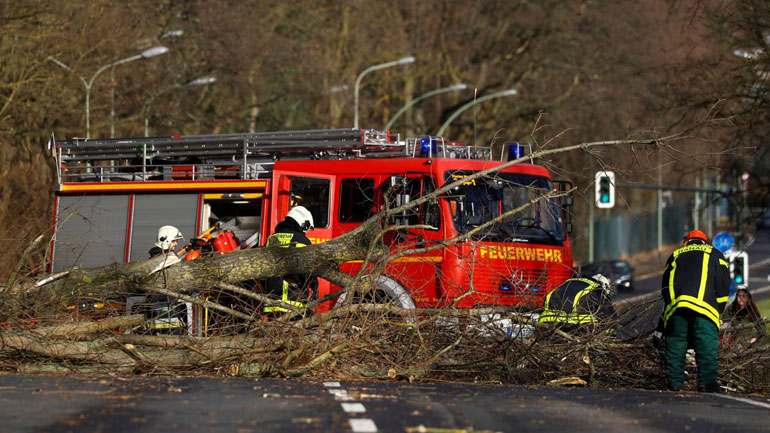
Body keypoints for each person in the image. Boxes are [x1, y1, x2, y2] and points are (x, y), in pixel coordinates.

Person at [661, 230, 730, 392]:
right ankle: (707, 383)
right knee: (706, 344)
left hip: (676, 307)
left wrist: (668, 313)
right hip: (704, 307)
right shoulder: (715, 254)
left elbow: (665, 286)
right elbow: (722, 285)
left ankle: (674, 384)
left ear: (686, 242)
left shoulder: (675, 255)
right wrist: (718, 309)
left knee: (676, 344)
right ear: (705, 241)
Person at [264, 206, 319, 317]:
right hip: (293, 301)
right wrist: (313, 289)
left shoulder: (271, 238)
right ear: (302, 223)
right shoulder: (301, 240)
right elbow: (310, 271)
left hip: (272, 300)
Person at [146, 225, 185, 334]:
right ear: (166, 240)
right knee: (173, 334)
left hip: (160, 305)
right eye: (174, 241)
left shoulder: (154, 258)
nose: (176, 244)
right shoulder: (167, 259)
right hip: (165, 304)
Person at [539, 273, 615, 328]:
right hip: (572, 325)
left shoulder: (570, 281)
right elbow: (608, 315)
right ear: (604, 286)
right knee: (594, 319)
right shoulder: (597, 289)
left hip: (546, 320)